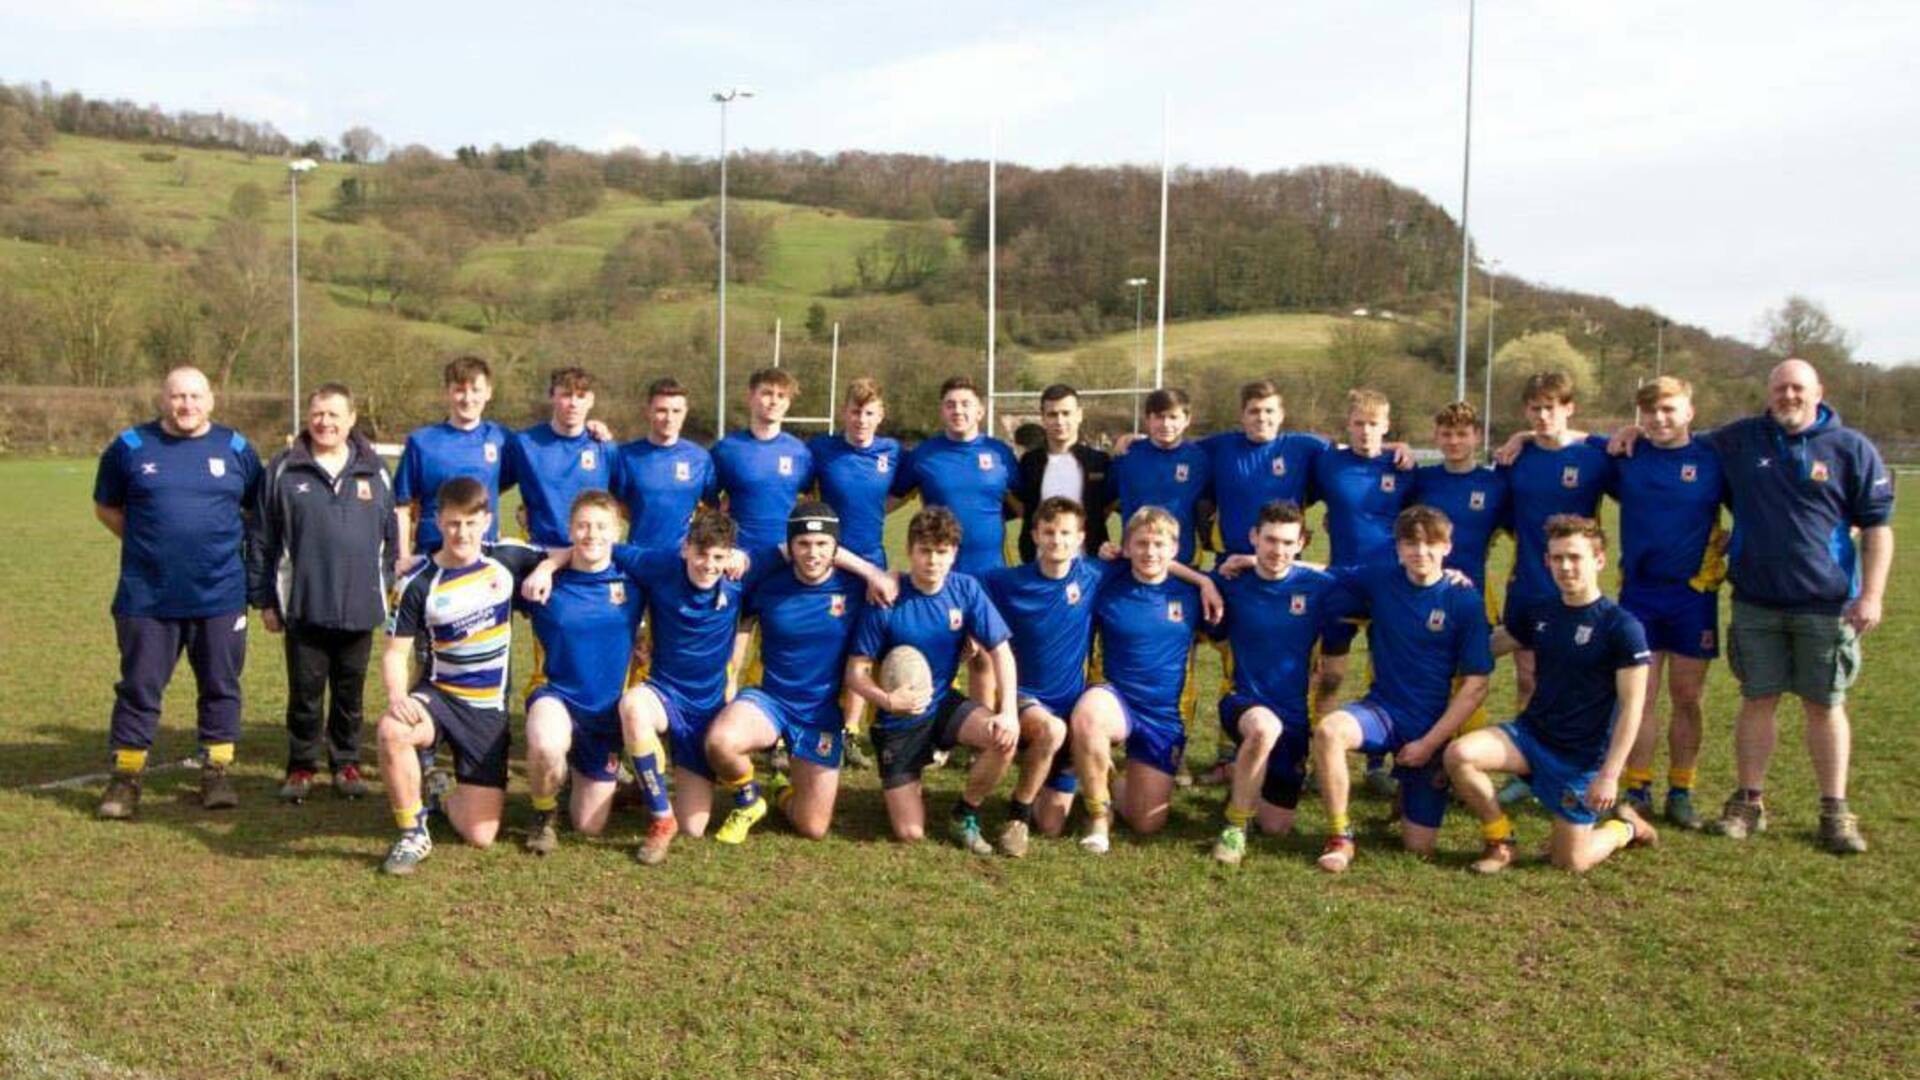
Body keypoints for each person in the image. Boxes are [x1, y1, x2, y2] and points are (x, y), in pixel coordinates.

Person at [1615, 360, 1892, 853]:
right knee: (1756, 700)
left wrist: (1870, 594)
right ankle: (1748, 801)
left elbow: (1877, 527)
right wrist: (1625, 430)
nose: (1788, 396)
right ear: (1768, 393)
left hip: (1826, 603)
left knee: (1825, 704)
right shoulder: (1739, 440)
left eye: (1797, 388)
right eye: (1780, 388)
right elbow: (1670, 434)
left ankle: (1835, 809)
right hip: (1755, 601)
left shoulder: (1851, 448)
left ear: (1818, 391)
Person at [93, 365, 263, 819]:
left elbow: (255, 509)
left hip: (221, 595)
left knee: (220, 685)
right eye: (177, 397)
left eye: (194, 396)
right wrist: (149, 545)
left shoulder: (237, 448)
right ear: (163, 399)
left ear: (211, 400)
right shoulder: (129, 447)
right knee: (139, 687)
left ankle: (216, 772)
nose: (186, 405)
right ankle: (125, 778)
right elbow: (106, 507)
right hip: (147, 597)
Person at [1445, 514, 1658, 873]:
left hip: (1581, 758)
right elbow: (1491, 645)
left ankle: (1626, 826)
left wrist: (1609, 774)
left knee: (1570, 862)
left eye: (1575, 557)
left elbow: (1633, 708)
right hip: (1531, 737)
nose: (1566, 567)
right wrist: (1448, 593)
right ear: (1547, 562)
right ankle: (1501, 840)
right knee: (1460, 755)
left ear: (1599, 560)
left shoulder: (1622, 627)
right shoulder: (1541, 612)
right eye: (1557, 558)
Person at [374, 478, 550, 875]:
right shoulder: (417, 582)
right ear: (438, 521)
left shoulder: (506, 559)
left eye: (471, 523)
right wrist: (397, 695)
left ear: (487, 520)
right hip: (438, 696)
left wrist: (548, 570)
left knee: (480, 834)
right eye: (453, 524)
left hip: (487, 710)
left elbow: (567, 553)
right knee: (392, 730)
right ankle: (412, 831)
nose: (462, 533)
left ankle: (439, 791)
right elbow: (395, 652)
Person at [1309, 506, 1493, 873]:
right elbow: (1323, 572)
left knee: (1418, 848)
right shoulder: (1381, 579)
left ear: (1447, 547)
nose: (1420, 553)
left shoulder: (1465, 600)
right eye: (1410, 544)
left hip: (1432, 727)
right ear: (1398, 547)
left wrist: (1428, 745)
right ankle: (1341, 836)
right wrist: (1249, 559)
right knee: (1330, 730)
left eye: (1430, 544)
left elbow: (1476, 686)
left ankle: (1410, 793)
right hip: (1382, 712)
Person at [249, 383, 396, 803]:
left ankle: (346, 762)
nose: (325, 422)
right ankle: (300, 766)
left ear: (351, 420)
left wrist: (384, 589)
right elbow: (261, 537)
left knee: (350, 695)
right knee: (305, 694)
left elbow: (391, 540)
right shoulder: (283, 468)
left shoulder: (375, 470)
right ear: (307, 419)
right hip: (303, 606)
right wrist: (264, 600)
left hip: (359, 606)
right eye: (318, 414)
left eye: (334, 414)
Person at [845, 507, 1020, 855]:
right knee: (910, 833)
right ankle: (911, 770)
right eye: (925, 551)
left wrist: (1009, 711)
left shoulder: (966, 589)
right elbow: (855, 673)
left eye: (942, 552)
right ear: (910, 552)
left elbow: (1001, 651)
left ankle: (965, 812)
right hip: (899, 719)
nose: (933, 561)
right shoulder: (887, 599)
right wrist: (886, 701)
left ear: (954, 554)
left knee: (1002, 738)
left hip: (942, 703)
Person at [706, 502, 870, 844]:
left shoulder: (856, 588)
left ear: (836, 548)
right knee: (722, 741)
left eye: (822, 544)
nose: (812, 553)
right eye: (804, 544)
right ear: (790, 547)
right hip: (771, 701)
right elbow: (744, 626)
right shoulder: (768, 584)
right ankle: (749, 799)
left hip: (820, 713)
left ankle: (781, 792)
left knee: (812, 828)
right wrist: (731, 676)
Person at [1605, 377, 1727, 830]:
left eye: (1668, 410)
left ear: (1689, 412)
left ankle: (1682, 789)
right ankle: (1638, 788)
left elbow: (1760, 504)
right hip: (1639, 592)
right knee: (1640, 697)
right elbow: (1564, 438)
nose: (1659, 419)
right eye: (1649, 411)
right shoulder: (1626, 455)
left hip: (1693, 595)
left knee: (1688, 696)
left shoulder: (1714, 459)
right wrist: (1519, 436)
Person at [1204, 501, 1354, 865]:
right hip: (1241, 701)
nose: (1278, 550)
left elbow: (1369, 576)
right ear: (1254, 537)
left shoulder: (1320, 587)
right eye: (1270, 540)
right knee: (1262, 728)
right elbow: (1168, 571)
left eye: (1288, 542)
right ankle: (1235, 827)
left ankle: (1244, 783)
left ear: (1301, 542)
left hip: (1294, 716)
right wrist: (1204, 579)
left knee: (1276, 827)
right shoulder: (1229, 581)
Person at [511, 491, 651, 856]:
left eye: (602, 526)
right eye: (583, 525)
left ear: (617, 533)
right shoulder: (539, 581)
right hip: (554, 694)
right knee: (545, 743)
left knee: (589, 826)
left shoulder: (634, 582)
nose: (592, 534)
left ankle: (593, 778)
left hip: (604, 715)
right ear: (570, 530)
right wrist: (545, 566)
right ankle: (543, 814)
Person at [1069, 508, 1210, 854]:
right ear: (1126, 547)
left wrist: (1206, 582)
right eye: (1141, 543)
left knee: (1146, 823)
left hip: (1163, 714)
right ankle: (1099, 817)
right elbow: (1060, 568)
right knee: (1088, 716)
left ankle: (1108, 776)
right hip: (1114, 697)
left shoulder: (1193, 593)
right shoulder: (1106, 581)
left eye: (1159, 544)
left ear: (1174, 549)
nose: (1150, 552)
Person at [1312, 388, 1415, 795]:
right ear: (1347, 425)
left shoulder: (1403, 466)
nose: (1365, 431)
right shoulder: (1328, 463)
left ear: (1387, 427)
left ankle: (1379, 763)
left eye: (1374, 424)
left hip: (1392, 586)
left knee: (1388, 673)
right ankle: (1315, 755)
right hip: (1341, 583)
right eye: (1358, 423)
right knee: (1330, 675)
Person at [1493, 371, 1613, 710]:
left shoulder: (1595, 456)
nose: (1543, 416)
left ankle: (1573, 752)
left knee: (1576, 675)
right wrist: (1522, 438)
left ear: (1569, 408)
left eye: (1550, 407)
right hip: (1528, 582)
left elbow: (1635, 478)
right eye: (1535, 409)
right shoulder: (1514, 459)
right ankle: (1529, 758)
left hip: (1578, 585)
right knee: (1528, 677)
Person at [392, 355, 515, 565]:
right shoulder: (421, 442)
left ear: (488, 393)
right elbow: (401, 506)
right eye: (459, 390)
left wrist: (591, 431)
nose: (468, 399)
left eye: (475, 390)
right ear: (447, 393)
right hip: (431, 553)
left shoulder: (502, 438)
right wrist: (403, 556)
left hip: (483, 555)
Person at [892, 376, 1019, 576]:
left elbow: (1023, 506)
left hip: (993, 574)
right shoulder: (923, 455)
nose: (958, 411)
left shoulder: (1000, 453)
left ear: (980, 411)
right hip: (940, 573)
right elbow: (890, 501)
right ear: (942, 411)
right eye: (950, 405)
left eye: (965, 404)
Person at [504, 366, 616, 549]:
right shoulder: (524, 444)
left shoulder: (604, 447)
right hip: (541, 553)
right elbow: (493, 485)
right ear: (552, 397)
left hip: (591, 554)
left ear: (591, 401)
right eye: (566, 395)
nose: (573, 403)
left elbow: (626, 499)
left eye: (580, 396)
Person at [1410, 401, 1510, 596]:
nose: (1454, 441)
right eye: (1446, 434)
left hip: (1473, 589)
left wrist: (1522, 437)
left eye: (1462, 434)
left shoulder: (1496, 484)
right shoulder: (1419, 479)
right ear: (1436, 437)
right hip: (1421, 590)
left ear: (1478, 437)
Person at [711, 367, 815, 551]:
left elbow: (808, 499)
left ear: (788, 403)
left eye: (781, 395)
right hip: (738, 558)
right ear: (751, 397)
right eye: (767, 393)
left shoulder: (801, 453)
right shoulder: (726, 449)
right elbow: (706, 501)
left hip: (785, 558)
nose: (774, 401)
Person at [610, 377, 715, 553]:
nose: (669, 418)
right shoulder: (626, 456)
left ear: (685, 412)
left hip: (683, 561)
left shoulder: (700, 458)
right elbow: (614, 505)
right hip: (638, 558)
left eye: (676, 411)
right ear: (648, 411)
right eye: (661, 410)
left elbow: (712, 508)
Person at [1013, 383, 1114, 563]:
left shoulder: (1099, 461)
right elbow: (1020, 506)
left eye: (1066, 413)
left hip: (1089, 564)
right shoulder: (1029, 462)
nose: (1059, 421)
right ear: (1043, 418)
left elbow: (1110, 504)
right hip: (1039, 564)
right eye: (1052, 414)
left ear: (1079, 415)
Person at [1110, 387, 1212, 566]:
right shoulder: (1127, 454)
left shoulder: (1200, 458)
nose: (1166, 424)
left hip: (1182, 560)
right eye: (1159, 416)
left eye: (1173, 417)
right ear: (1148, 419)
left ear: (1187, 419)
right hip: (1135, 559)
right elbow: (1105, 500)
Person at [808, 377, 902, 570]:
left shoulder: (893, 452)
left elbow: (906, 490)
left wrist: (875, 509)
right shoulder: (820, 448)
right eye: (855, 412)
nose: (862, 420)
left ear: (880, 415)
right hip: (828, 558)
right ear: (844, 412)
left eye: (869, 413)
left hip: (872, 558)